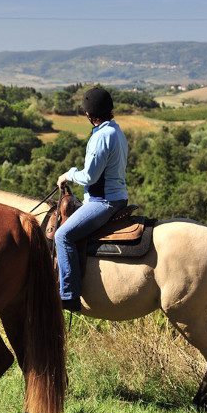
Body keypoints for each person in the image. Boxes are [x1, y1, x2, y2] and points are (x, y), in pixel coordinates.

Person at [54, 87, 128, 312]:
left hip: (102, 201)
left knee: (62, 235)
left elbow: (89, 176)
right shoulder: (116, 130)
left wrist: (68, 174)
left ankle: (68, 294)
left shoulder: (102, 137)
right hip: (115, 197)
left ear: (89, 114)